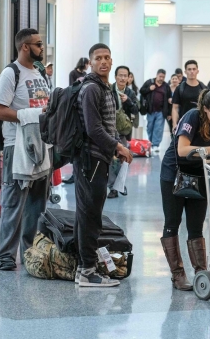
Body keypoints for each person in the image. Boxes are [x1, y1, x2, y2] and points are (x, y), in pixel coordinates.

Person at [160, 89, 210, 290]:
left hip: (201, 175)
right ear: (205, 109)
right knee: (173, 223)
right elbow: (182, 149)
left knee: (196, 226)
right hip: (174, 174)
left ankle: (201, 275)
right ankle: (177, 275)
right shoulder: (192, 116)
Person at [0, 28, 52, 270]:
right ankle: (5, 255)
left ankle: (29, 252)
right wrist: (33, 115)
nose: (42, 47)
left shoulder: (40, 73)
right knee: (14, 203)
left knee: (37, 204)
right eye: (38, 44)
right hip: (16, 146)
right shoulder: (11, 73)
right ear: (25, 47)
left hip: (41, 145)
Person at [74, 43, 133, 287]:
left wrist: (114, 148)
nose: (104, 62)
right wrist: (118, 147)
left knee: (88, 214)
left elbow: (107, 125)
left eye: (107, 57)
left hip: (100, 159)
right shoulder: (91, 89)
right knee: (90, 216)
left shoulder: (104, 88)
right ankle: (87, 271)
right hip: (91, 160)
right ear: (90, 62)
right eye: (98, 58)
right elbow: (93, 128)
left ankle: (83, 267)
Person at [108, 65, 139, 199]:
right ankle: (113, 188)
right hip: (108, 130)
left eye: (125, 76)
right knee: (109, 160)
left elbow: (137, 110)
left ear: (128, 78)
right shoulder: (109, 90)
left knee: (123, 159)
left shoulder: (130, 93)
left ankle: (119, 184)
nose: (122, 78)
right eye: (120, 75)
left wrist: (129, 101)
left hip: (122, 132)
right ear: (115, 77)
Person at [140, 69, 171, 152]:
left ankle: (156, 144)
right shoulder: (149, 82)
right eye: (160, 76)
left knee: (158, 128)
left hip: (161, 111)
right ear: (156, 75)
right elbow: (141, 91)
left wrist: (169, 113)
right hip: (150, 110)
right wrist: (149, 89)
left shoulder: (166, 86)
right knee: (149, 127)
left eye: (163, 77)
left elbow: (169, 98)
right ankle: (151, 142)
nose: (161, 78)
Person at [171, 60, 207, 129]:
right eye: (189, 69)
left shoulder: (203, 88)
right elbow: (175, 107)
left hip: (201, 124)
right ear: (185, 72)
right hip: (184, 124)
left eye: (194, 69)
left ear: (197, 71)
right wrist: (174, 124)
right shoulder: (180, 88)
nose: (192, 71)